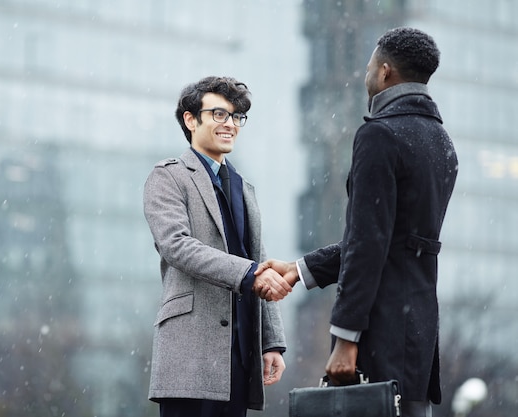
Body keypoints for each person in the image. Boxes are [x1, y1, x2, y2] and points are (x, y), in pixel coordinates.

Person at [256, 27, 458, 417]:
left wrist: (346, 337)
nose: (365, 74)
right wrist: (301, 269)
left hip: (378, 326)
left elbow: (369, 242)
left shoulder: (380, 135)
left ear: (384, 73)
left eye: (368, 66)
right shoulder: (441, 141)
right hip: (418, 328)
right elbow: (393, 238)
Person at [143, 76, 292, 417]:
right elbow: (177, 246)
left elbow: (259, 259)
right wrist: (249, 272)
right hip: (190, 352)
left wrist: (272, 342)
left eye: (236, 116)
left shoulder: (243, 187)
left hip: (240, 354)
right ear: (190, 119)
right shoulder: (168, 176)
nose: (230, 125)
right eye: (219, 115)